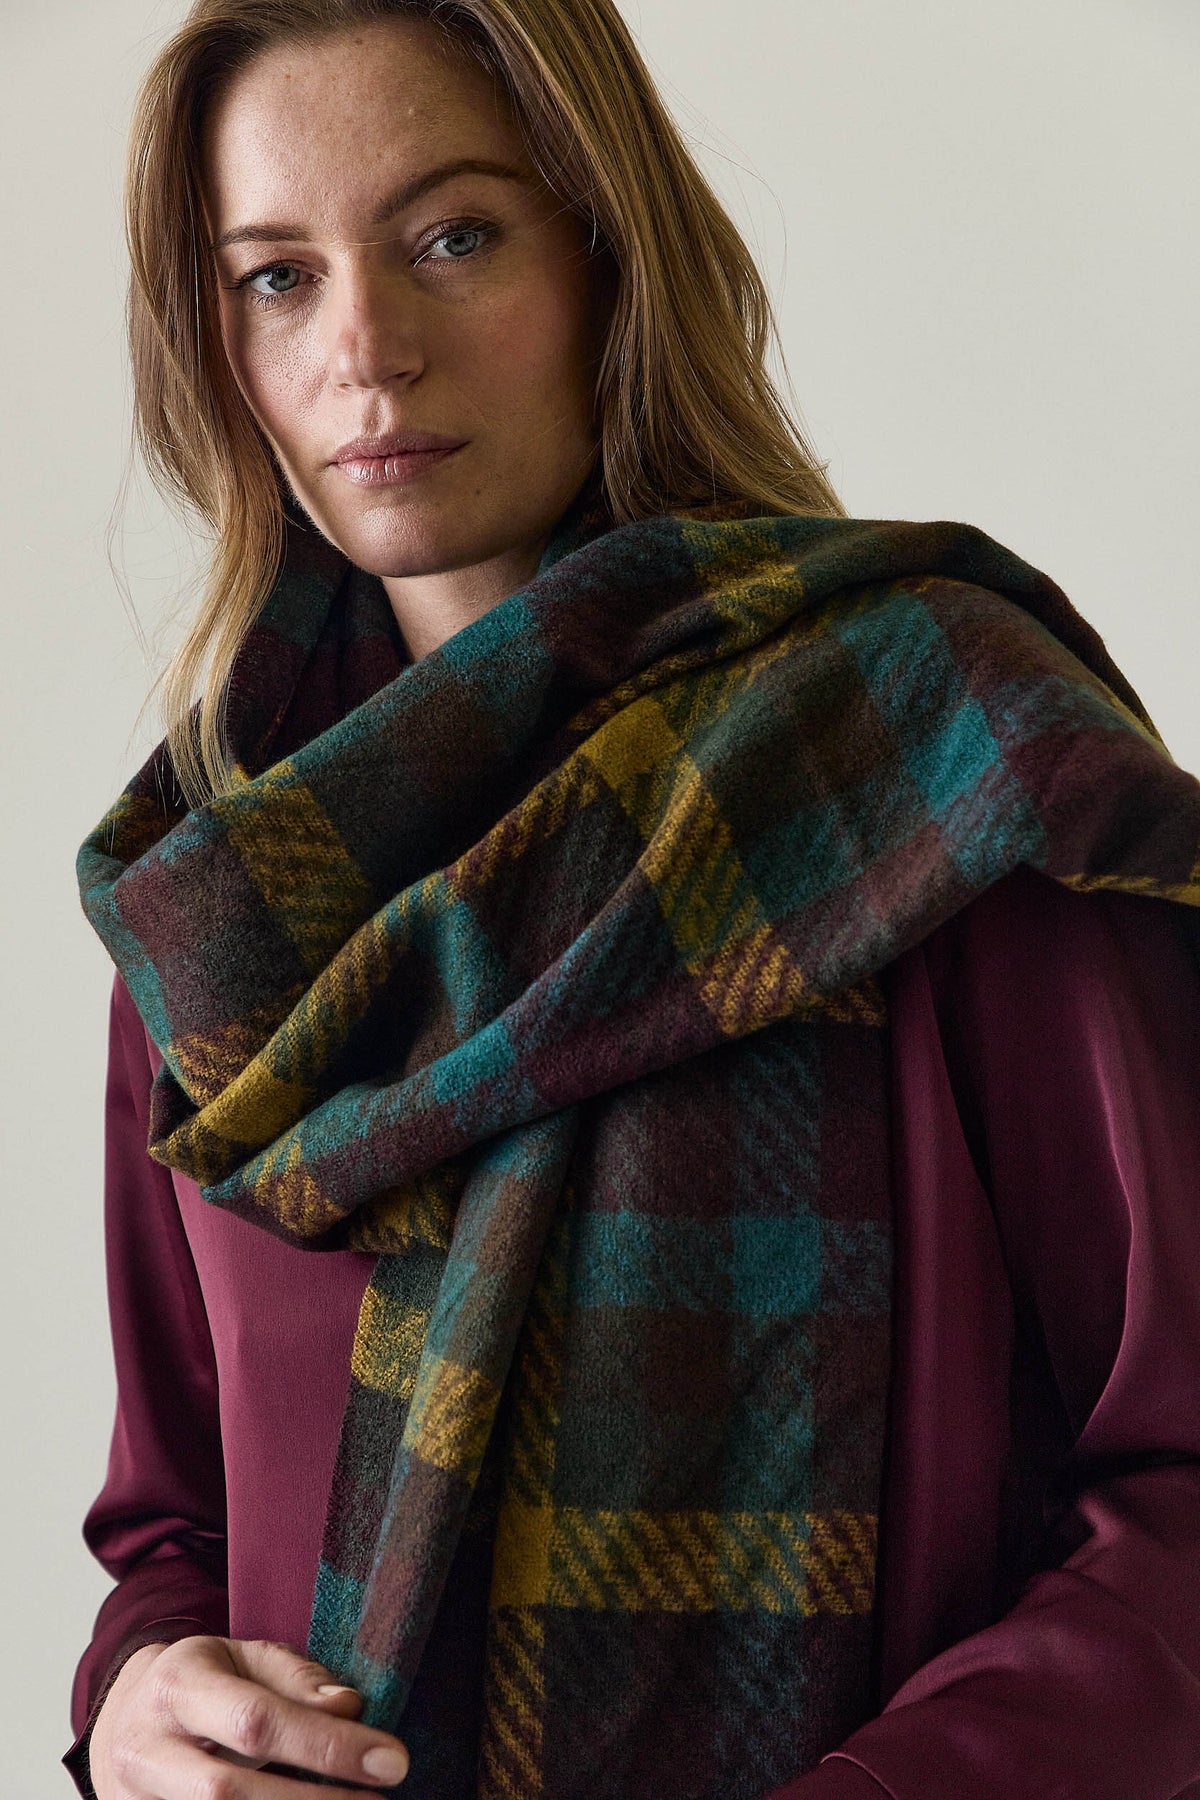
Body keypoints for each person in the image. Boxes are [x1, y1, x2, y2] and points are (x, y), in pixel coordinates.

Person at [65, 2, 1200, 1798]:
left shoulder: (939, 764)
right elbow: (170, 1523)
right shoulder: (223, 894)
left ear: (612, 256)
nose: (366, 350)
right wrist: (136, 1696)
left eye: (454, 237)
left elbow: (1182, 1497)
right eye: (276, 278)